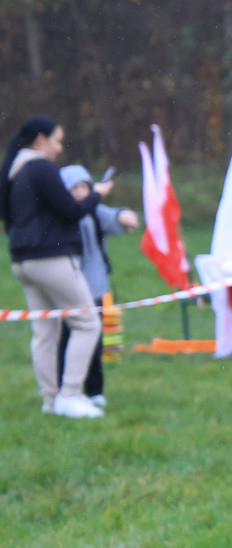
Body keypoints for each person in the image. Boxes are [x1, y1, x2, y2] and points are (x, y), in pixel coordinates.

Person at [1, 116, 113, 418]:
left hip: (23, 261)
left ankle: (50, 401)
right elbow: (72, 210)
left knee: (45, 330)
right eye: (57, 141)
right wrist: (96, 195)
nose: (59, 148)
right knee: (87, 323)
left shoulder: (14, 172)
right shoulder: (40, 167)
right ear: (41, 139)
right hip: (51, 258)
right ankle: (70, 394)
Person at [55, 164, 139, 408]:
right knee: (66, 339)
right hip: (66, 286)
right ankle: (65, 390)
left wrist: (124, 215)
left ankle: (94, 391)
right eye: (74, 188)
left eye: (84, 187)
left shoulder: (92, 210)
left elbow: (111, 216)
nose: (81, 192)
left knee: (95, 340)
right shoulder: (62, 214)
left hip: (94, 286)